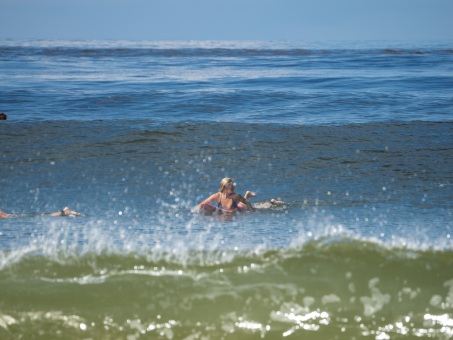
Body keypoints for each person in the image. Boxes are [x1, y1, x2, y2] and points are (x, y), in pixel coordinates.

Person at [195, 177, 285, 214]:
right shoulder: (217, 196)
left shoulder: (236, 196)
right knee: (241, 203)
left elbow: (246, 202)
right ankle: (247, 194)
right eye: (231, 187)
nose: (233, 188)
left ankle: (273, 202)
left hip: (240, 208)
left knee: (261, 207)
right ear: (225, 187)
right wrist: (196, 211)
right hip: (235, 207)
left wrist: (252, 211)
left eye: (233, 187)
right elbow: (202, 204)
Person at [0, 207, 81, 218]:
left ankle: (64, 212)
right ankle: (63, 212)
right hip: (11, 216)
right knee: (46, 215)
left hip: (11, 216)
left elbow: (3, 215)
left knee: (46, 215)